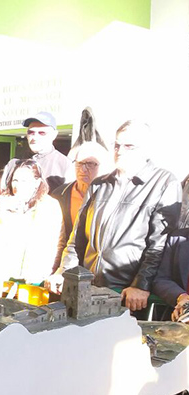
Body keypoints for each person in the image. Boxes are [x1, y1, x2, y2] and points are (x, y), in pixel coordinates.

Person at [49, 121, 182, 314]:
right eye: (117, 145)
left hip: (127, 295)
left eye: (129, 146)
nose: (120, 151)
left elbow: (159, 244)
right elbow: (76, 239)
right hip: (87, 289)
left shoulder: (164, 183)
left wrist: (141, 284)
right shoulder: (99, 184)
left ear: (146, 150)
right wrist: (65, 272)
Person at [0, 159, 64, 297]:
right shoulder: (0, 202)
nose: (18, 186)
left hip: (33, 284)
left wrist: (47, 273)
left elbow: (59, 244)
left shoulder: (50, 207)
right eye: (15, 180)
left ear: (37, 183)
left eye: (24, 181)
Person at [151, 230, 189, 395]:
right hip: (181, 323)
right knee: (173, 380)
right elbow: (161, 279)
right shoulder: (178, 239)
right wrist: (182, 297)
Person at [50, 142, 110, 244]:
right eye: (79, 164)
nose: (82, 170)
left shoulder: (113, 195)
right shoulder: (58, 195)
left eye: (90, 164)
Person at [2, 112, 71, 191]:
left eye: (42, 133)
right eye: (31, 132)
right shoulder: (14, 163)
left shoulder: (65, 165)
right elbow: (4, 192)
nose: (35, 137)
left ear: (54, 135)